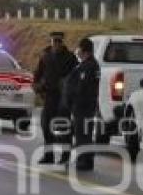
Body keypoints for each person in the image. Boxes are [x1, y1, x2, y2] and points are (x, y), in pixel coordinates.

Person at [33, 31, 78, 163]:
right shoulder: (45, 56)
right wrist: (37, 88)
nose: (56, 44)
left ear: (62, 42)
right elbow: (38, 74)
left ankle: (65, 156)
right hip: (49, 96)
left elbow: (74, 77)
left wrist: (70, 94)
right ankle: (49, 155)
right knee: (46, 126)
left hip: (63, 98)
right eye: (54, 41)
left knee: (63, 127)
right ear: (51, 42)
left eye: (59, 41)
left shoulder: (70, 58)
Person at [64, 39, 101, 171]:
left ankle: (84, 160)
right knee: (84, 133)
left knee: (82, 134)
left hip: (83, 105)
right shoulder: (89, 65)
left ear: (84, 50)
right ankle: (86, 159)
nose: (77, 51)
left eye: (79, 49)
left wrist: (73, 98)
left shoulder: (88, 66)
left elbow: (81, 87)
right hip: (87, 104)